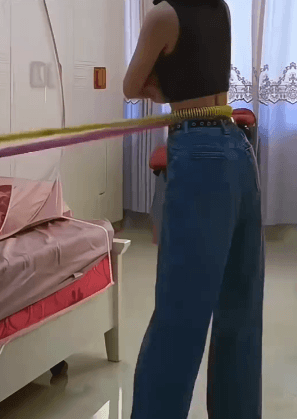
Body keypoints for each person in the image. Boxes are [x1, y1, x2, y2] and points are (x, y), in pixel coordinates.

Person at [123, 1, 265, 418]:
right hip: (238, 148)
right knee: (240, 312)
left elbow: (131, 86)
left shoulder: (162, 16)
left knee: (179, 317)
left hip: (199, 151)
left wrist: (163, 89)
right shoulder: (220, 7)